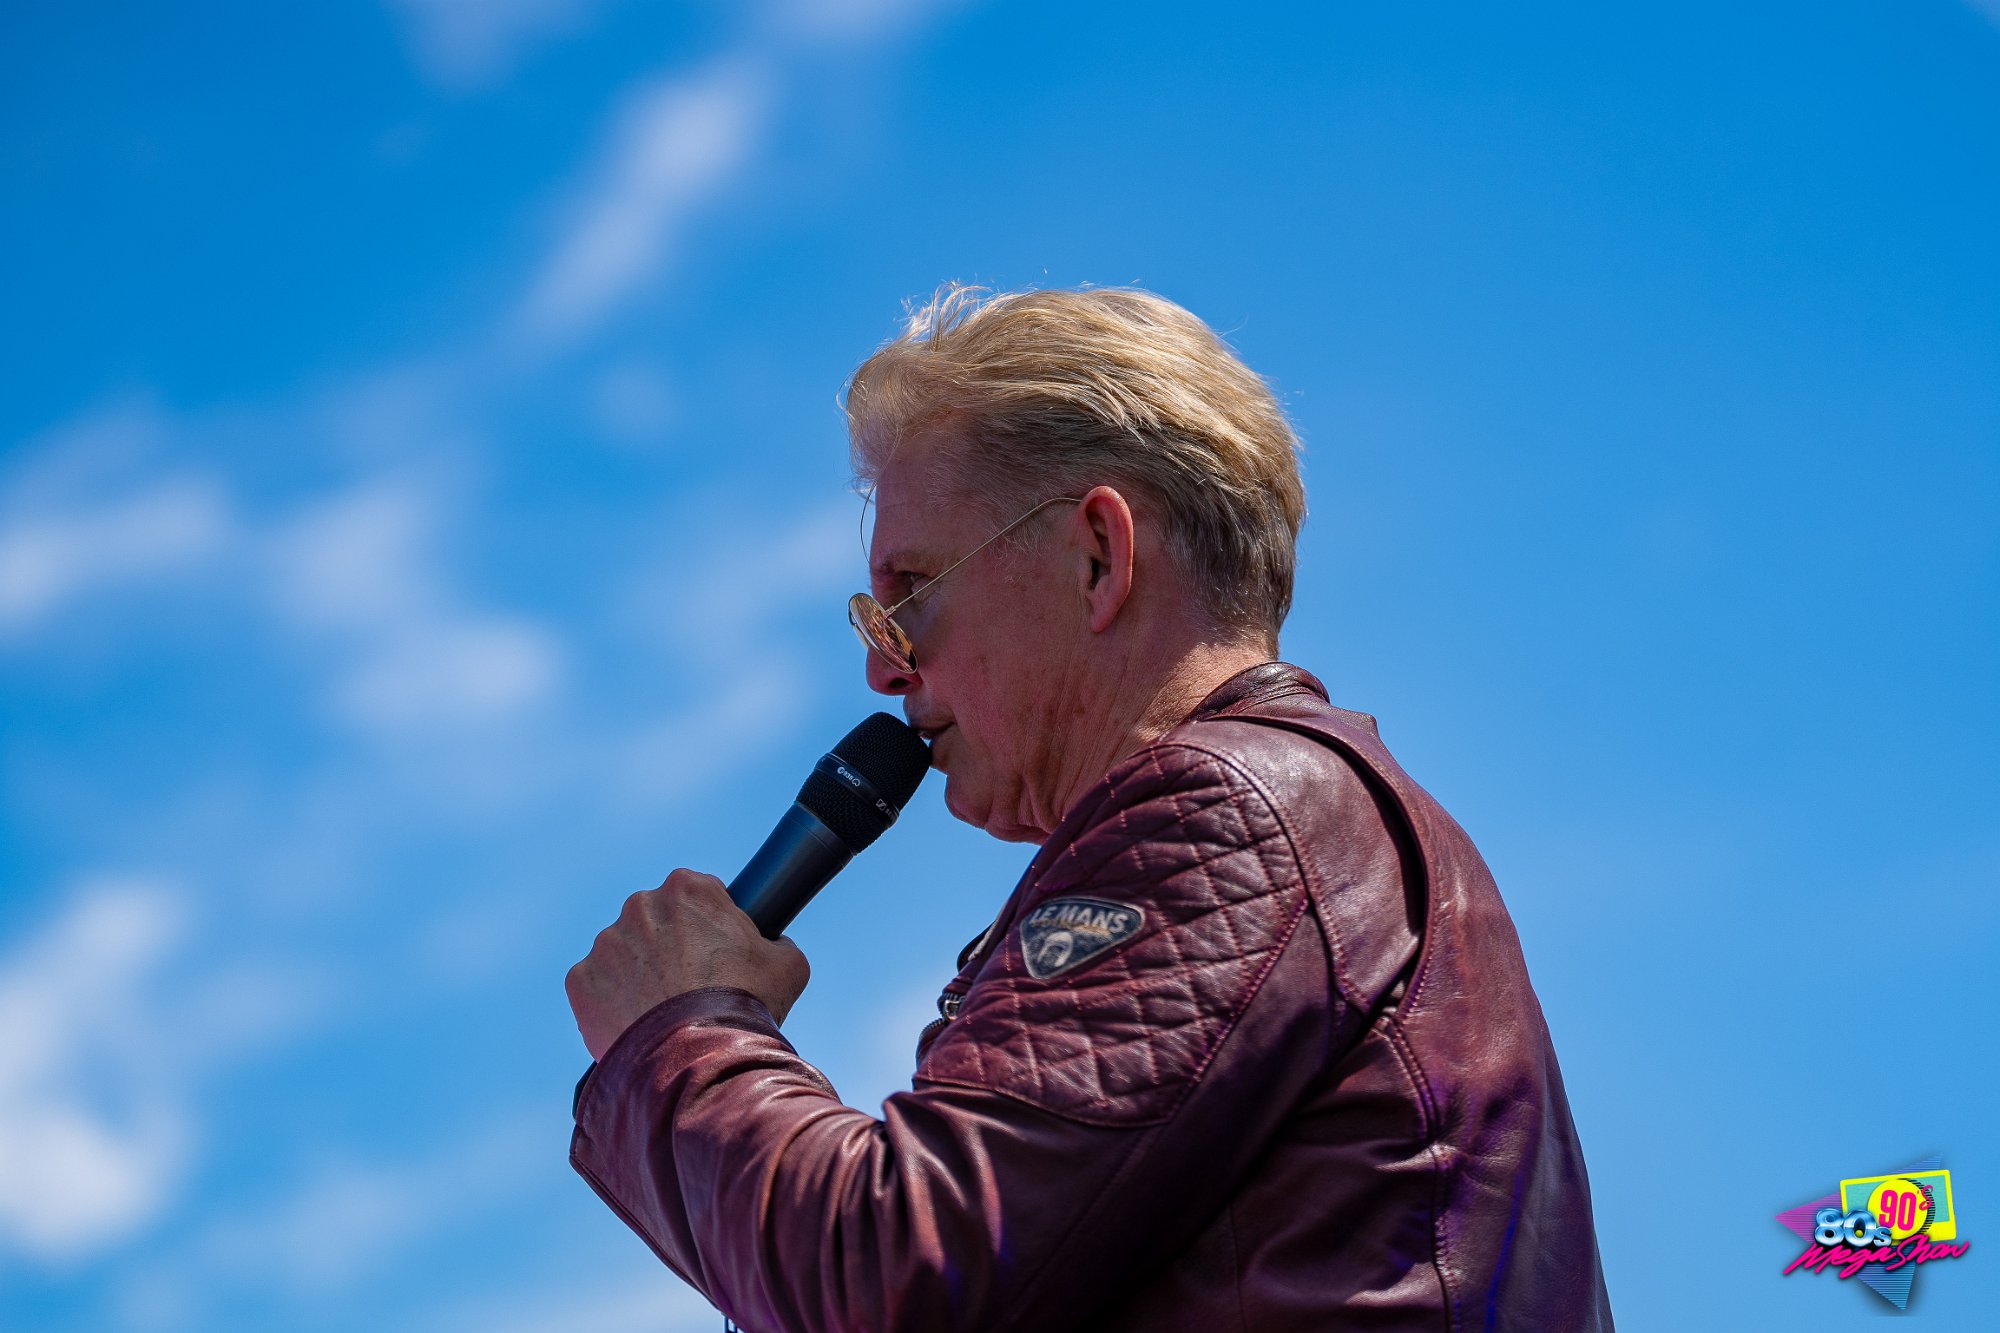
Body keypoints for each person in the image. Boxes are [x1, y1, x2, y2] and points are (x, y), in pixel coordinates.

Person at [565, 286, 1614, 1331]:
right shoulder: (1307, 816)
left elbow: (894, 1281)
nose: (885, 671)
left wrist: (683, 1032)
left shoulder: (1226, 813)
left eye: (911, 594)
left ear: (1098, 557)